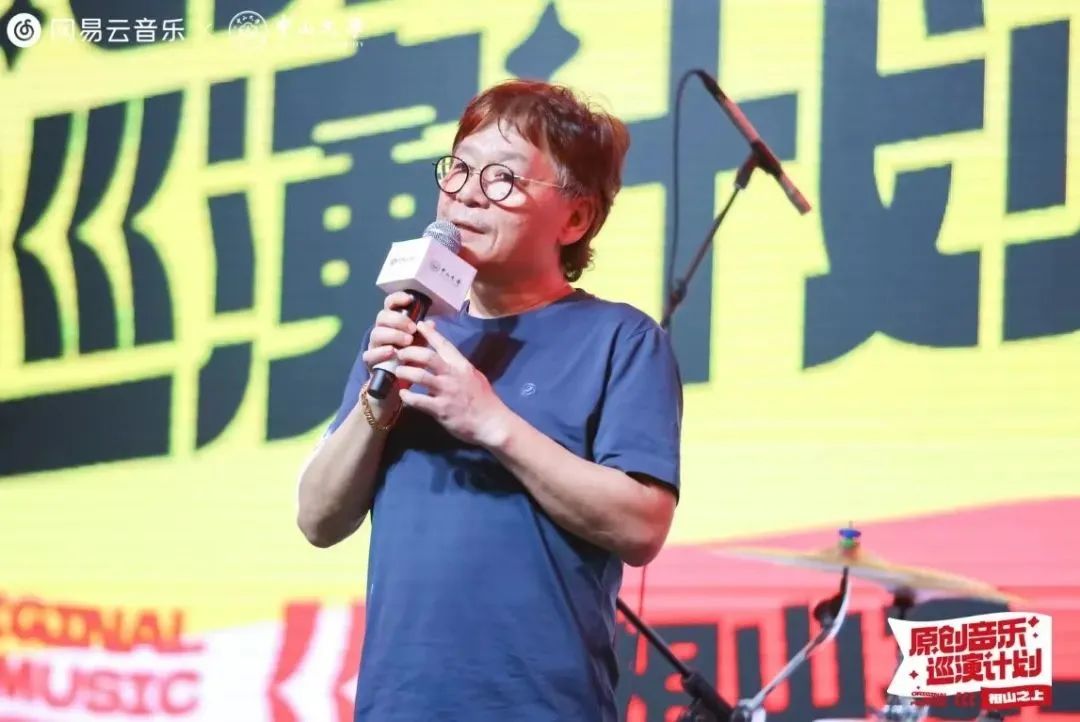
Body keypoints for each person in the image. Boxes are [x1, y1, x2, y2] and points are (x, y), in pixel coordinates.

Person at [296, 78, 683, 722]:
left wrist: (489, 420)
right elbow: (317, 520)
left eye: (503, 178)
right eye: (459, 169)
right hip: (399, 705)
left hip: (538, 706)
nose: (467, 194)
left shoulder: (621, 339)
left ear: (576, 218)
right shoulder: (409, 327)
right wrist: (376, 408)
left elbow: (642, 527)